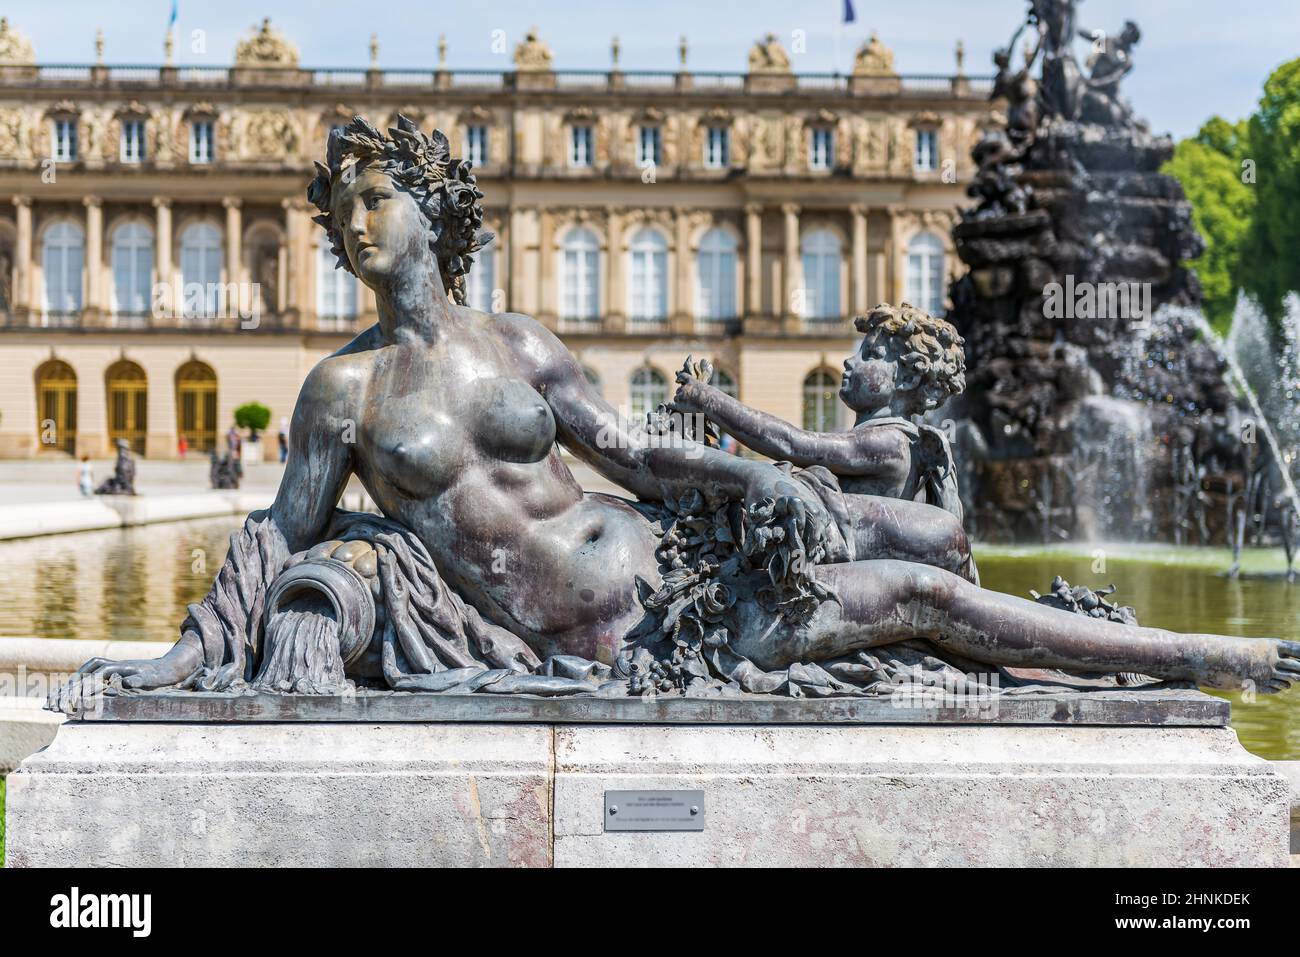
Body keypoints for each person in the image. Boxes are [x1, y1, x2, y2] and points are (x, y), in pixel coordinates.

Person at [53, 115, 1300, 708]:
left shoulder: (522, 341)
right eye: (339, 214)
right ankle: (1193, 659)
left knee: (916, 558)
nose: (352, 223)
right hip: (621, 640)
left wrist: (752, 476)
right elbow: (279, 534)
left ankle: (1172, 658)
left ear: (435, 207)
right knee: (915, 606)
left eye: (376, 198)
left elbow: (635, 453)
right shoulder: (343, 389)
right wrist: (174, 662)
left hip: (673, 565)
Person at [673, 303, 978, 581]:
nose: (849, 361)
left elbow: (791, 443)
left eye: (870, 355)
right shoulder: (893, 438)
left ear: (908, 379)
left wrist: (706, 398)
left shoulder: (890, 442)